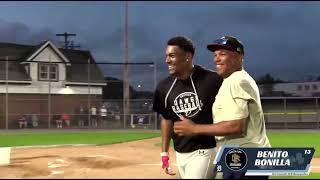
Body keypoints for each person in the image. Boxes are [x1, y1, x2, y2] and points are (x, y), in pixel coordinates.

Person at [173, 36, 271, 179]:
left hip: (244, 160)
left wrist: (194, 129)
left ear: (239, 57)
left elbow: (236, 126)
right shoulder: (234, 80)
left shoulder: (236, 80)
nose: (216, 59)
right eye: (215, 55)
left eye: (223, 54)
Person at [152, 36, 223, 179]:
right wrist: (164, 153)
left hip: (206, 150)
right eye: (166, 56)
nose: (167, 61)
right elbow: (166, 120)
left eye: (172, 56)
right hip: (180, 153)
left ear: (187, 57)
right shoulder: (163, 87)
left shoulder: (213, 80)